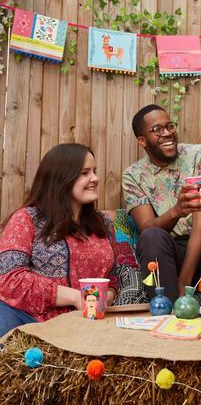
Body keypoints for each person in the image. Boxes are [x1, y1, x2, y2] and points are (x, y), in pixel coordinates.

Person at [122, 104, 201, 305]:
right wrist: (176, 211)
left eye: (169, 126)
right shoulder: (133, 175)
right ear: (142, 140)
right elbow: (147, 228)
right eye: (157, 130)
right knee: (151, 237)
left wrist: (184, 282)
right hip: (169, 255)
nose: (167, 133)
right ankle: (166, 313)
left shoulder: (200, 155)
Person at [0, 143, 119, 337]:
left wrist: (106, 297)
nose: (95, 179)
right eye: (84, 173)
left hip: (88, 323)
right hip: (30, 319)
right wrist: (74, 297)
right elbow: (9, 279)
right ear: (61, 178)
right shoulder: (27, 219)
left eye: (94, 171)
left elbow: (113, 276)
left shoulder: (103, 223)